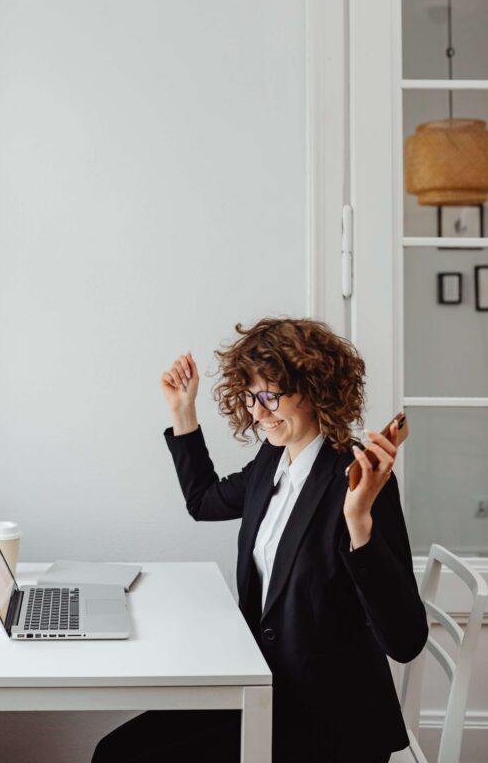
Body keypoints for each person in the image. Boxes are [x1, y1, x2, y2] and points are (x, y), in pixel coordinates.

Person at [91, 317, 428, 763]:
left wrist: (358, 520)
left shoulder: (357, 482)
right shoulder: (273, 461)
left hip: (325, 720)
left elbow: (405, 639)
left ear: (314, 389)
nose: (257, 411)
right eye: (251, 396)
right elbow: (204, 501)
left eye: (270, 396)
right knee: (115, 750)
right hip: (264, 687)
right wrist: (183, 411)